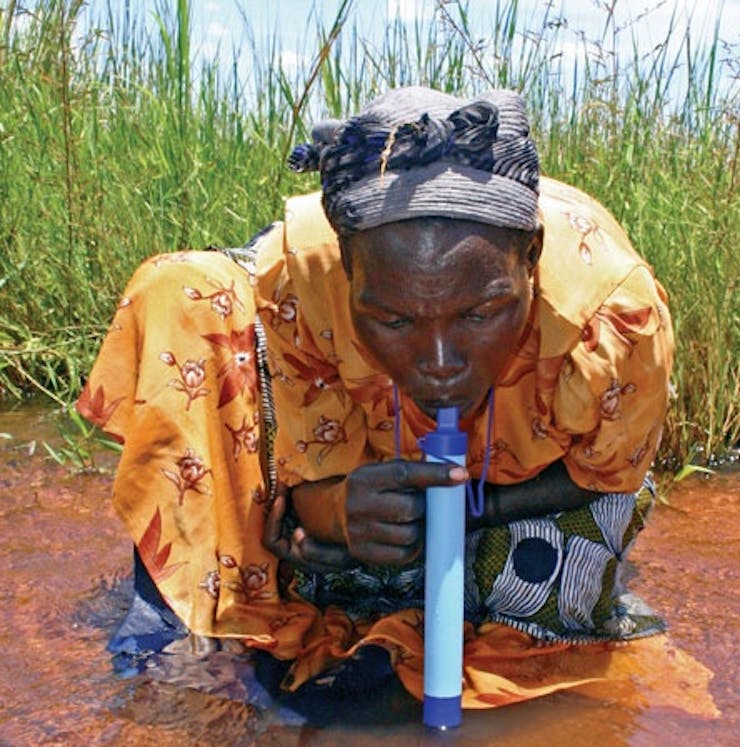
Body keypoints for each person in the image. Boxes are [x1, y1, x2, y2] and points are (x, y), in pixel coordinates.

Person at [78, 86, 678, 711]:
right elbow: (309, 483)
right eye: (393, 322)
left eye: (482, 314)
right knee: (183, 291)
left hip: (524, 500)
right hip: (374, 487)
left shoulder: (612, 316)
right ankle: (203, 631)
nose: (441, 365)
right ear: (347, 273)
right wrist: (341, 511)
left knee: (539, 597)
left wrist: (470, 506)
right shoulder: (301, 281)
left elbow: (604, 476)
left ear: (530, 260)